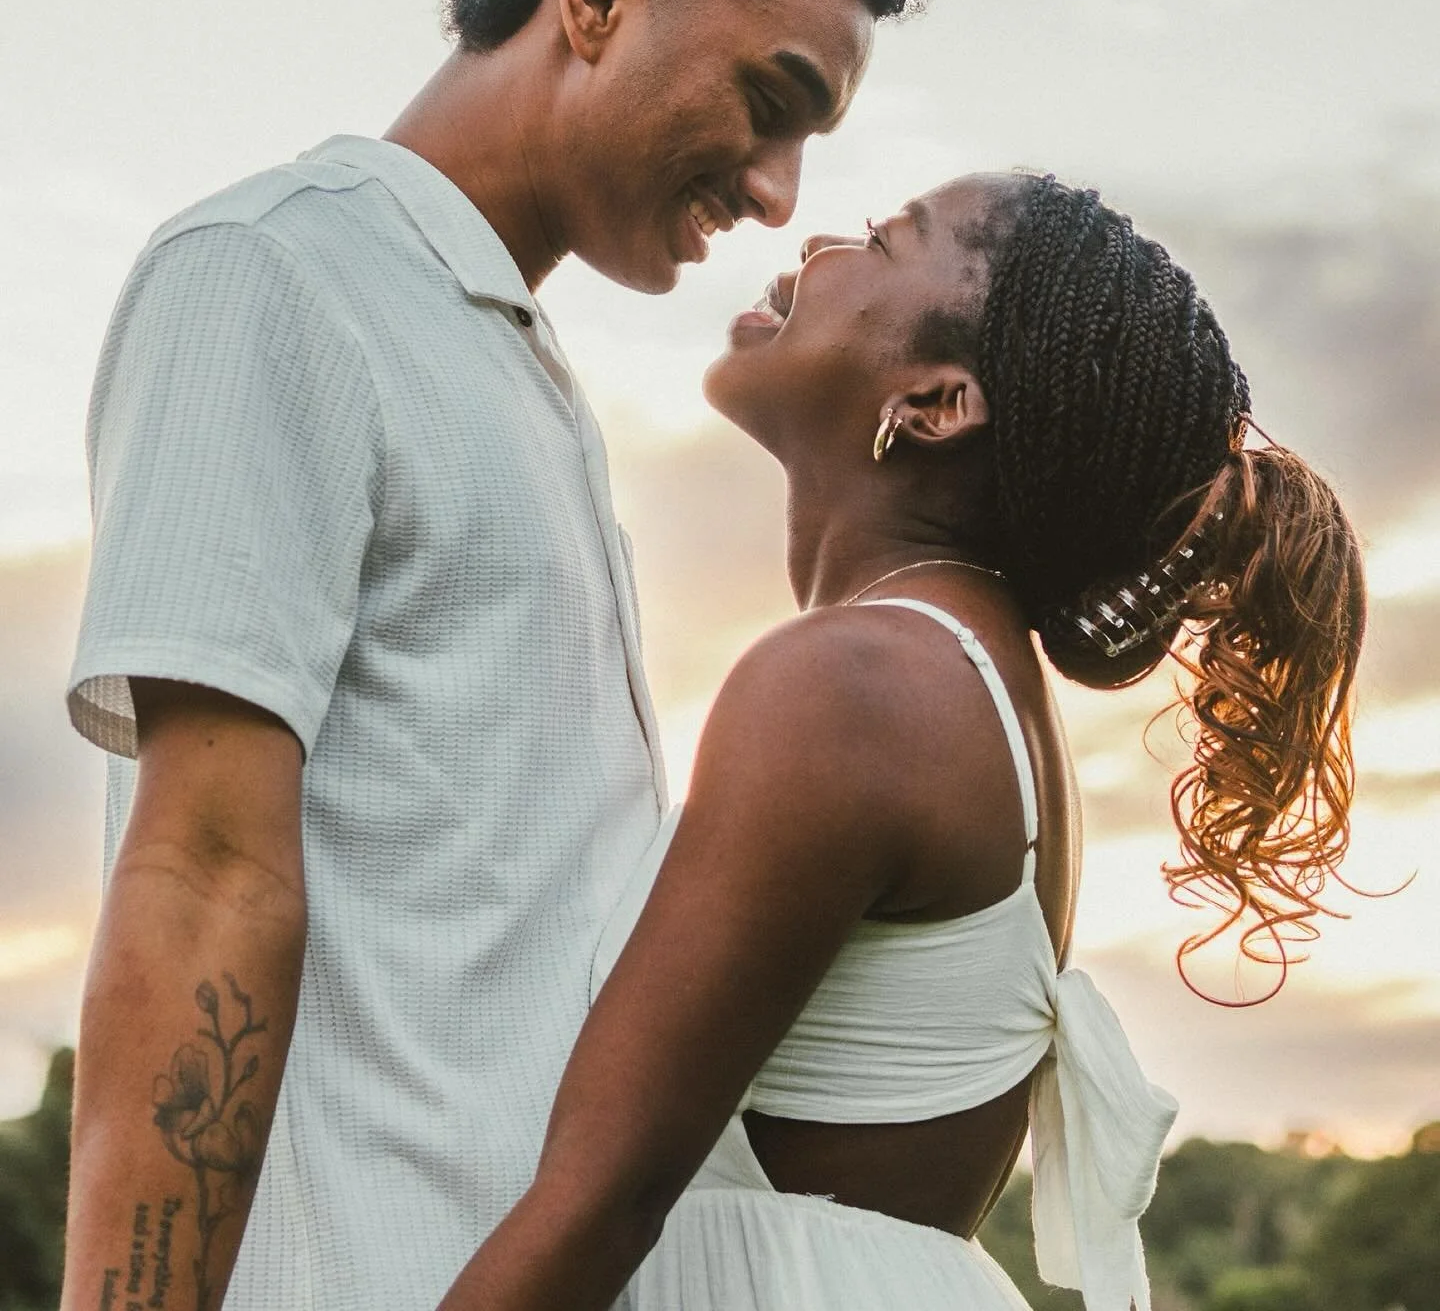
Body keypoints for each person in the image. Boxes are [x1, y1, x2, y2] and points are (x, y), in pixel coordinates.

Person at [59, 0, 924, 1311]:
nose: (783, 191)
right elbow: (199, 867)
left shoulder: (517, 372)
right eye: (770, 102)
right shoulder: (276, 274)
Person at [440, 172, 1366, 1311]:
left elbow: (604, 1196)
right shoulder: (960, 684)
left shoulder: (855, 688)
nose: (815, 242)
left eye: (880, 241)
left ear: (934, 404)